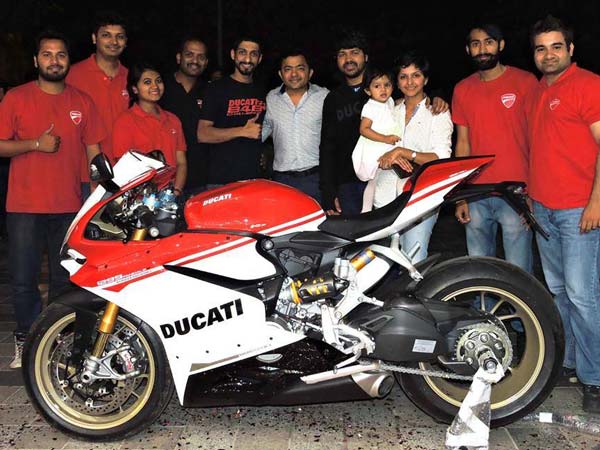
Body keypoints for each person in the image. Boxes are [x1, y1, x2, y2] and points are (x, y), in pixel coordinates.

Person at [0, 31, 105, 368]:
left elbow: (94, 151)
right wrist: (34, 144)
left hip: (69, 206)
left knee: (65, 280)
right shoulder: (16, 97)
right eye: (47, 54)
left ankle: (58, 341)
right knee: (23, 279)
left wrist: (98, 195)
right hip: (24, 207)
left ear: (68, 61)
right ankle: (26, 340)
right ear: (36, 61)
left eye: (60, 55)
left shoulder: (82, 101)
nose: (54, 61)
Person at [527, 15, 600, 413]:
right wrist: (531, 198)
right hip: (543, 208)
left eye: (556, 46)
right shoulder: (539, 90)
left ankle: (595, 378)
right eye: (541, 48)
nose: (549, 54)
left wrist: (597, 201)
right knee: (558, 292)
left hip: (578, 210)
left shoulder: (589, 85)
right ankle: (570, 363)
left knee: (583, 295)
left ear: (570, 49)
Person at [321, 30, 448, 216]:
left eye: (354, 52)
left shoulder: (386, 89)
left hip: (386, 179)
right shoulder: (333, 99)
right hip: (349, 182)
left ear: (366, 56)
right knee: (354, 232)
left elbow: (413, 90)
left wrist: (437, 96)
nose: (348, 59)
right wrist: (329, 193)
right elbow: (327, 148)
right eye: (342, 54)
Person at [453, 24, 537, 273]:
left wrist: (534, 191)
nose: (482, 49)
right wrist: (460, 195)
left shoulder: (525, 82)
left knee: (518, 271)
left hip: (515, 191)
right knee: (480, 268)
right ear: (468, 49)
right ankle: (485, 302)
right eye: (476, 44)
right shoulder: (462, 89)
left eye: (488, 42)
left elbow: (537, 139)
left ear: (500, 45)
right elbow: (462, 143)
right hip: (476, 193)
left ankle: (521, 302)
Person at [375, 52, 452, 262]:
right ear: (397, 82)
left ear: (425, 79)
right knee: (384, 260)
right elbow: (371, 146)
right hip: (385, 197)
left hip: (421, 196)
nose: (410, 82)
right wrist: (386, 157)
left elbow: (441, 159)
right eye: (403, 76)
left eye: (416, 75)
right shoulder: (389, 110)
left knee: (414, 258)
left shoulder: (437, 112)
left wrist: (405, 153)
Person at [66, 11, 129, 199]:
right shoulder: (73, 75)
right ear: (94, 38)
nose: (114, 41)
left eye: (120, 36)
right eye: (106, 35)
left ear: (126, 41)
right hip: (82, 175)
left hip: (125, 174)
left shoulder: (132, 78)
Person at [198, 36, 266, 188]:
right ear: (233, 54)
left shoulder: (262, 91)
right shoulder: (215, 89)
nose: (247, 59)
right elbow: (202, 134)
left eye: (253, 54)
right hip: (220, 181)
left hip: (254, 180)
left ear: (260, 59)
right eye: (242, 52)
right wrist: (242, 131)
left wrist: (265, 154)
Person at [262, 50, 329, 201]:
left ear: (310, 72)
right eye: (288, 69)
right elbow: (261, 133)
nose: (294, 74)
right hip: (282, 180)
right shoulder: (270, 98)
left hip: (317, 178)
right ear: (280, 74)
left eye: (300, 68)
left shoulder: (324, 96)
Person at [112, 63, 187, 194]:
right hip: (140, 198)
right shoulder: (125, 121)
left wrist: (176, 191)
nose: (155, 86)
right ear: (135, 89)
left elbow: (181, 162)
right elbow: (123, 165)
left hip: (171, 196)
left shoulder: (173, 120)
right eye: (147, 82)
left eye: (158, 81)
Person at [160, 36, 209, 197]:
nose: (195, 61)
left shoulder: (211, 92)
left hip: (201, 180)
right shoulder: (160, 87)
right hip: (165, 179)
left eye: (200, 57)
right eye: (189, 54)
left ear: (206, 62)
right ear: (178, 57)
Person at [352, 68, 401, 212]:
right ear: (368, 91)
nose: (383, 89)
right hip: (374, 146)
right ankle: (366, 210)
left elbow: (398, 103)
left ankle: (388, 209)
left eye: (387, 85)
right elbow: (364, 129)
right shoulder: (370, 107)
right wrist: (385, 138)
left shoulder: (389, 101)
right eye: (377, 86)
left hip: (386, 145)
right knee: (372, 181)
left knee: (383, 179)